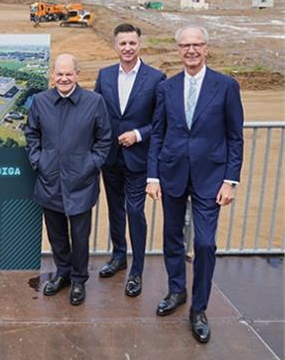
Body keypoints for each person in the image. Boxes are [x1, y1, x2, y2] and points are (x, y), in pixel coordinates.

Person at [147, 25, 243, 343]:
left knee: (204, 244)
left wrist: (230, 181)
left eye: (197, 44)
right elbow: (158, 133)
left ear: (206, 47)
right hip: (173, 174)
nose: (191, 50)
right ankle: (177, 291)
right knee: (172, 239)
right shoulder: (167, 88)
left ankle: (199, 309)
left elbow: (234, 137)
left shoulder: (226, 86)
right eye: (185, 45)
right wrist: (153, 175)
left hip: (210, 179)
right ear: (178, 50)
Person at [24, 54, 112, 306]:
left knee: (80, 236)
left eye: (68, 74)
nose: (64, 78)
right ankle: (62, 273)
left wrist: (92, 164)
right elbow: (31, 134)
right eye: (59, 74)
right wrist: (38, 161)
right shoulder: (41, 101)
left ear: (77, 74)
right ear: (53, 75)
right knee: (57, 235)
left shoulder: (94, 102)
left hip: (81, 182)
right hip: (49, 180)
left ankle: (78, 280)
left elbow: (104, 138)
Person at [94, 24, 166, 297]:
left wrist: (137, 134)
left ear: (139, 45)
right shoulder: (105, 75)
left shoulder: (156, 78)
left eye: (132, 43)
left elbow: (162, 121)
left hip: (139, 159)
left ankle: (137, 269)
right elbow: (97, 113)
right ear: (115, 46)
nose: (127, 48)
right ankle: (118, 256)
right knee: (115, 210)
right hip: (111, 158)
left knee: (135, 212)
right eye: (122, 43)